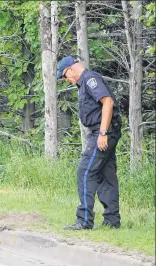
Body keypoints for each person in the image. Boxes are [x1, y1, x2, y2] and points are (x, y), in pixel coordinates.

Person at [56, 56, 122, 230]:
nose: (66, 80)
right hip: (106, 131)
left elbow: (107, 101)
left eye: (65, 76)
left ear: (71, 69)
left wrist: (102, 133)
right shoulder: (84, 83)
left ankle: (84, 220)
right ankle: (112, 221)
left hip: (103, 132)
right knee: (106, 175)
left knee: (85, 171)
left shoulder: (90, 79)